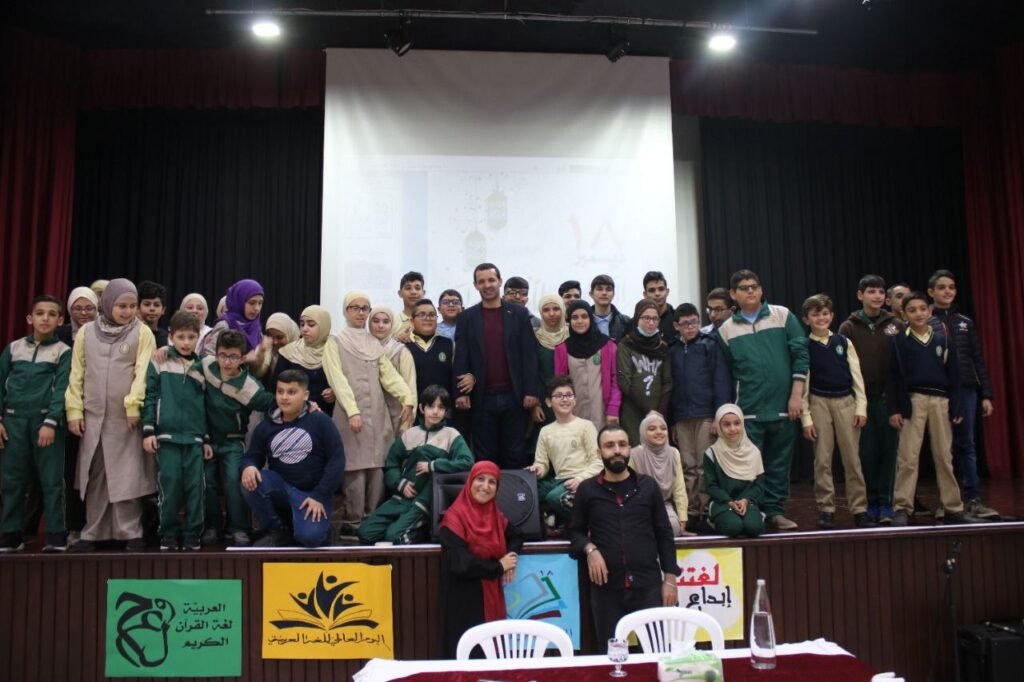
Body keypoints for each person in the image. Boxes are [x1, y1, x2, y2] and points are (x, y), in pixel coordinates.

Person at [65, 279, 157, 552]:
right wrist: (74, 410)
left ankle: (131, 532)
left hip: (125, 419)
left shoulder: (142, 333)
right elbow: (77, 374)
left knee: (126, 476)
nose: (127, 311)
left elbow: (143, 373)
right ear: (107, 304)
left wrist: (133, 406)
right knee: (94, 476)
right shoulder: (86, 333)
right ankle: (93, 532)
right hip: (93, 418)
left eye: (131, 306)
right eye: (121, 306)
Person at [570, 424, 680, 645]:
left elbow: (664, 534)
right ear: (599, 452)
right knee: (611, 654)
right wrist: (590, 549)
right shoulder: (587, 490)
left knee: (655, 651)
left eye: (622, 444)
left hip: (648, 586)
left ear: (630, 448)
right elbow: (575, 531)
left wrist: (670, 580)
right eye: (609, 446)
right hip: (606, 588)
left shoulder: (648, 486)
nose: (617, 451)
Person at [716, 269, 808, 531]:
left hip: (784, 407)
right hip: (747, 412)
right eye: (744, 288)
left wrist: (796, 395)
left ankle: (775, 512)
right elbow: (726, 374)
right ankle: (753, 512)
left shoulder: (783, 315)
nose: (751, 291)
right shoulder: (725, 330)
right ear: (733, 294)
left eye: (754, 286)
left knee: (779, 465)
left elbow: (801, 354)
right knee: (749, 467)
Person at [325, 291, 414, 536]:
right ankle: (352, 524)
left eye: (365, 308)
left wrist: (407, 398)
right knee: (354, 468)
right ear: (346, 310)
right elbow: (337, 379)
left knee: (377, 467)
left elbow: (388, 375)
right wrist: (352, 411)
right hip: (349, 414)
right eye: (355, 308)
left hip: (377, 413)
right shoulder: (335, 341)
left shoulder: (373, 342)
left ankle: (371, 523)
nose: (360, 313)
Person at [887, 292, 979, 526]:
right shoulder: (900, 341)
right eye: (912, 310)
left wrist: (957, 406)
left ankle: (952, 507)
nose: (918, 313)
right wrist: (894, 409)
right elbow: (893, 378)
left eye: (922, 309)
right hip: (913, 400)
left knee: (944, 456)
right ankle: (902, 508)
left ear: (929, 312)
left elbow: (955, 376)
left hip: (940, 401)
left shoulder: (942, 340)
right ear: (904, 315)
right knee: (908, 457)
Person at [241, 370, 345, 547]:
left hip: (313, 495)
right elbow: (252, 456)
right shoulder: (265, 426)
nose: (284, 397)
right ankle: (277, 531)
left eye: (291, 392)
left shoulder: (321, 421)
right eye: (280, 391)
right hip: (282, 489)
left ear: (305, 395)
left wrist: (320, 495)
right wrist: (249, 466)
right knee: (251, 480)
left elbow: (337, 461)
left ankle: (323, 530)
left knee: (310, 538)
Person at [0, 295, 72, 552]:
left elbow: (62, 389)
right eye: (40, 313)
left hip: (46, 422)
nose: (45, 318)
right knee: (12, 480)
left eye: (52, 314)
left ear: (60, 320)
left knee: (51, 480)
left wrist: (51, 422)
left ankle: (56, 534)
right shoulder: (13, 349)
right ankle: (11, 534)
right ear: (30, 318)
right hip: (13, 421)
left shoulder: (63, 352)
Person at [358, 386, 474, 545]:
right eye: (431, 406)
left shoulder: (451, 434)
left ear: (446, 411)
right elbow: (391, 464)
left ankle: (420, 530)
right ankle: (410, 527)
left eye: (440, 407)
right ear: (421, 408)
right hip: (402, 497)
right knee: (365, 532)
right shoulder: (409, 434)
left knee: (394, 536)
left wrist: (433, 465)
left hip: (425, 500)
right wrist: (400, 483)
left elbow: (467, 462)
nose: (435, 412)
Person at [927, 269, 999, 519]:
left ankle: (973, 498)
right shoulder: (925, 321)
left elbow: (977, 359)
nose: (947, 291)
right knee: (941, 447)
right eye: (942, 287)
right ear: (931, 292)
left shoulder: (964, 322)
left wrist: (986, 394)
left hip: (967, 390)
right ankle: (947, 501)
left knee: (966, 443)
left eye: (951, 287)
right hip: (939, 390)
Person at [453, 263, 541, 469]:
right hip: (482, 398)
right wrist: (460, 393)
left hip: (514, 397)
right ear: (475, 285)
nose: (487, 285)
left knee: (515, 454)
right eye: (482, 281)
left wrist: (531, 391)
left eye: (491, 280)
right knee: (485, 456)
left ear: (500, 282)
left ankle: (514, 491)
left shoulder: (519, 314)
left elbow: (529, 355)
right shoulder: (467, 317)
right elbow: (461, 357)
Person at [799, 294, 873, 529]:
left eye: (825, 313)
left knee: (852, 459)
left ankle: (859, 509)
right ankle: (826, 509)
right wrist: (806, 418)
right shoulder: (805, 346)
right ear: (806, 319)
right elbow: (803, 385)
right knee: (822, 460)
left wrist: (861, 406)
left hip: (846, 403)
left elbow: (857, 377)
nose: (821, 318)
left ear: (831, 316)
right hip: (818, 403)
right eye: (815, 314)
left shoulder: (843, 342)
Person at [438, 460, 522, 658]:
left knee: (491, 657)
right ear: (470, 482)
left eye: (492, 482)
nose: (485, 486)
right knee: (469, 657)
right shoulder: (453, 519)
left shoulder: (496, 516)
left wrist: (511, 557)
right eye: (480, 479)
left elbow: (517, 536)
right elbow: (461, 563)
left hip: (491, 595)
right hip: (464, 601)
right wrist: (499, 567)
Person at [142, 311, 211, 551]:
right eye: (181, 337)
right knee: (169, 487)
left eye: (191, 337)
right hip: (166, 437)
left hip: (194, 439)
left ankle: (193, 533)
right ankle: (168, 533)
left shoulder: (202, 366)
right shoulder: (159, 361)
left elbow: (206, 405)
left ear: (198, 338)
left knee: (195, 489)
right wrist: (148, 430)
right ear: (170, 337)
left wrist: (206, 438)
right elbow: (150, 396)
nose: (186, 342)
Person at [838, 275, 904, 525]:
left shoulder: (896, 324)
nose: (876, 296)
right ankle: (868, 503)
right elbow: (842, 366)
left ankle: (885, 503)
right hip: (861, 402)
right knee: (865, 453)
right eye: (871, 292)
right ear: (860, 295)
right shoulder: (848, 327)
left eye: (880, 292)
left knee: (889, 453)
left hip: (889, 401)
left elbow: (902, 364)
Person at [201, 330, 276, 546]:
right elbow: (184, 361)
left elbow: (273, 402)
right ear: (216, 354)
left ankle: (240, 527)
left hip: (233, 440)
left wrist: (307, 405)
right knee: (206, 482)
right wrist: (165, 351)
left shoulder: (249, 386)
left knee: (234, 482)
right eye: (223, 355)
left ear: (243, 358)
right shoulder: (206, 366)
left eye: (233, 357)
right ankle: (212, 526)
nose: (227, 362)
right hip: (206, 440)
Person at [668, 303, 731, 529]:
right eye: (685, 324)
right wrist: (672, 420)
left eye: (694, 322)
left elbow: (720, 380)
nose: (690, 327)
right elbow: (670, 387)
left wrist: (718, 415)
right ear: (676, 326)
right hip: (682, 416)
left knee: (704, 464)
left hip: (706, 414)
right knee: (687, 465)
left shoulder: (709, 344)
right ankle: (691, 510)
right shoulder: (672, 349)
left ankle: (705, 510)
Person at [527, 376, 602, 524]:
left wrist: (580, 479)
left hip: (583, 478)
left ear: (575, 400)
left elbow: (598, 463)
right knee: (529, 493)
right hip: (559, 481)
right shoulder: (546, 431)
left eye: (568, 395)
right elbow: (542, 463)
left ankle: (588, 524)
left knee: (554, 497)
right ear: (549, 402)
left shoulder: (585, 426)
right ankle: (559, 518)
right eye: (559, 396)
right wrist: (537, 469)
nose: (565, 399)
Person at [56, 287, 98, 541]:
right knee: (71, 472)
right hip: (69, 411)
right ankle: (73, 526)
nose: (83, 313)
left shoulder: (104, 332)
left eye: (89, 308)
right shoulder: (60, 335)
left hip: (97, 410)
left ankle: (98, 526)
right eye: (78, 308)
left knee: (97, 473)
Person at [554, 300, 621, 431]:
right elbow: (559, 385)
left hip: (602, 412)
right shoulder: (562, 349)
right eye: (575, 317)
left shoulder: (608, 345)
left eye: (584, 316)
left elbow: (616, 381)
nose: (580, 321)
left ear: (591, 318)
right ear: (569, 321)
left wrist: (613, 409)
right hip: (574, 413)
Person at [703, 404, 766, 538]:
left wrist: (746, 500)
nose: (732, 429)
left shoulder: (753, 452)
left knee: (753, 527)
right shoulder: (712, 453)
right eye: (726, 424)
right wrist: (729, 501)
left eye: (737, 423)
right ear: (719, 427)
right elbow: (711, 486)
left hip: (747, 503)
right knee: (733, 527)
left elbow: (759, 485)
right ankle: (712, 520)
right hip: (722, 503)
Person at [617, 299, 672, 444]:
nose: (651, 322)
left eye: (655, 318)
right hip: (633, 411)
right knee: (636, 451)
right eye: (646, 318)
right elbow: (624, 381)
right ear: (637, 319)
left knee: (657, 449)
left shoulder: (662, 347)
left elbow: (667, 382)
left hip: (658, 412)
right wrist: (648, 410)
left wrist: (659, 411)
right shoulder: (626, 344)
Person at [629, 412, 690, 537]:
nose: (659, 432)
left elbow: (679, 489)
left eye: (663, 428)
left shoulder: (673, 453)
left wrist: (682, 519)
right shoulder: (634, 454)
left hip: (664, 504)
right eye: (652, 429)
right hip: (639, 505)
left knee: (672, 527)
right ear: (643, 432)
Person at [199, 279, 270, 377]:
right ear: (239, 301)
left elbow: (256, 373)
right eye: (252, 303)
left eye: (260, 303)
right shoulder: (225, 325)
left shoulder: (255, 328)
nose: (257, 308)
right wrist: (242, 360)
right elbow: (207, 358)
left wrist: (261, 353)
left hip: (247, 384)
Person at [275, 305, 338, 414]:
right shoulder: (289, 352)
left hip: (326, 416)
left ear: (324, 326)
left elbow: (344, 383)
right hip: (293, 416)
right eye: (302, 324)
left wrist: (335, 392)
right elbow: (275, 389)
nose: (304, 329)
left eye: (311, 324)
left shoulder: (334, 351)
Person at [369, 306, 417, 435]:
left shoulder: (401, 351)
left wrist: (407, 422)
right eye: (376, 321)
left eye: (386, 322)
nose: (380, 325)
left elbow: (410, 386)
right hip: (369, 415)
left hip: (396, 415)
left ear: (392, 325)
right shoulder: (362, 349)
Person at [531, 294, 569, 437]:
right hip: (544, 402)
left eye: (556, 309)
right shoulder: (534, 337)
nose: (552, 314)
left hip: (571, 399)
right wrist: (535, 405)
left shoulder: (572, 334)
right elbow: (531, 372)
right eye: (546, 310)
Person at [405, 299, 455, 402]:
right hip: (412, 407)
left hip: (443, 407)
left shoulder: (448, 344)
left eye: (432, 315)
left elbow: (457, 374)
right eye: (422, 315)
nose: (427, 318)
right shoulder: (403, 345)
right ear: (412, 320)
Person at [588, 274, 631, 341]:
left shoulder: (626, 322)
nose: (604, 293)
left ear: (613, 294)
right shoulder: (583, 321)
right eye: (599, 289)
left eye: (608, 289)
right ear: (591, 294)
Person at [263, 312, 300, 382]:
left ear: (289, 334)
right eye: (270, 337)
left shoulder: (301, 358)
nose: (275, 342)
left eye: (279, 337)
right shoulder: (267, 353)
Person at [642, 270, 677, 341]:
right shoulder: (636, 323)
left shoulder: (677, 320)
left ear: (667, 292)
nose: (657, 293)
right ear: (645, 294)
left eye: (661, 289)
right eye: (652, 290)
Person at [137, 281, 169, 348]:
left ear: (163, 310)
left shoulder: (167, 338)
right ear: (138, 308)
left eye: (156, 305)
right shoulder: (132, 334)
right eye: (147, 304)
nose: (152, 308)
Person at [395, 271, 425, 339]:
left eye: (417, 288)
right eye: (408, 288)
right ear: (400, 293)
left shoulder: (430, 321)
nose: (413, 292)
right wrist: (397, 340)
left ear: (423, 293)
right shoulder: (392, 322)